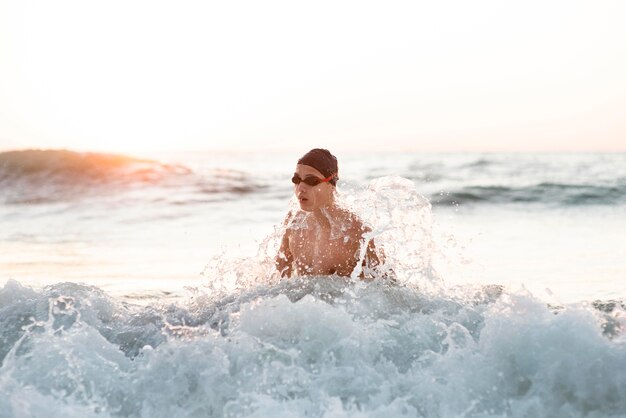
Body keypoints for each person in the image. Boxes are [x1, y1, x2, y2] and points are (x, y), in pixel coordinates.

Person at [276, 148, 382, 278]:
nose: (301, 188)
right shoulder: (293, 223)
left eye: (311, 181)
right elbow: (278, 280)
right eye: (296, 180)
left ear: (331, 184)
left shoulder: (356, 233)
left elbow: (386, 286)